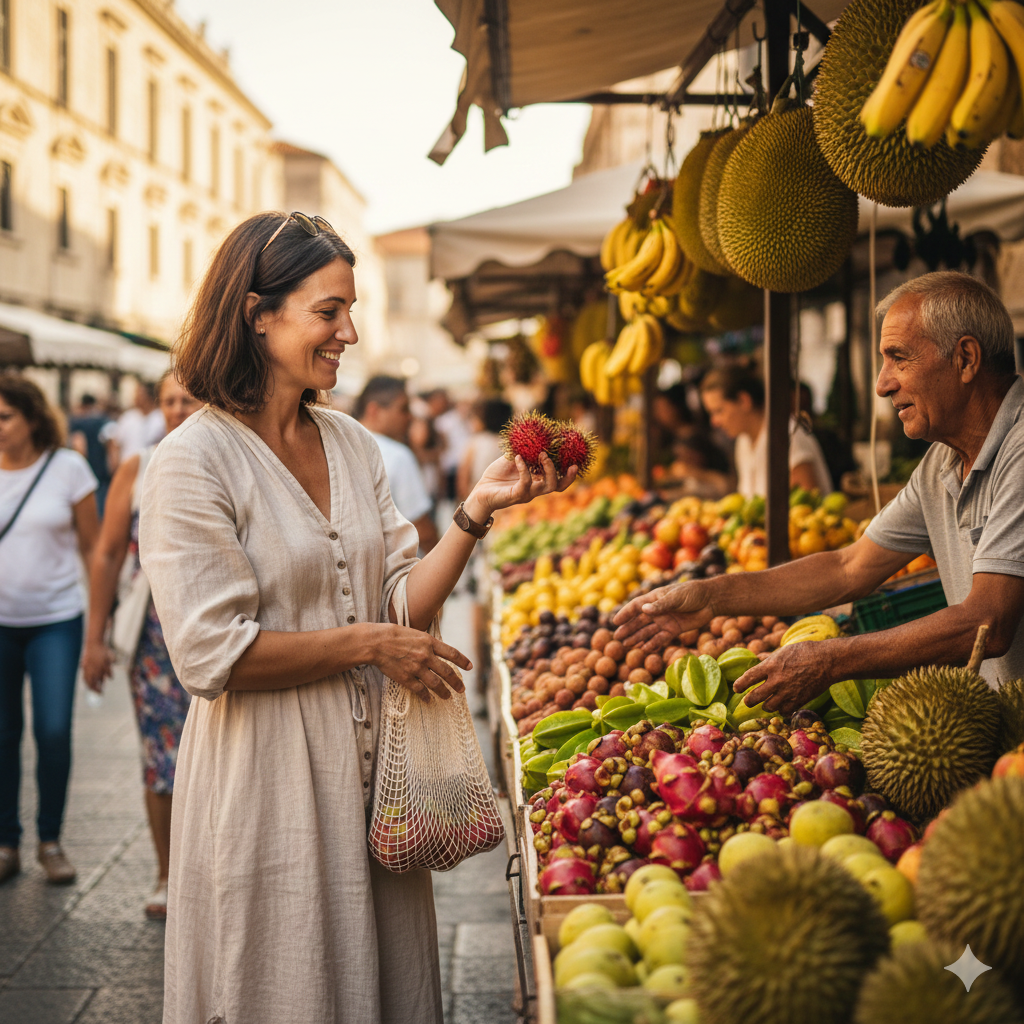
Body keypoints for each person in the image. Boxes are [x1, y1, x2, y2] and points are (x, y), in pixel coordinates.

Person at [138, 210, 579, 1024]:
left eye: (350, 310)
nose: (348, 331)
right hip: (267, 778)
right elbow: (210, 657)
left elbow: (396, 603)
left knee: (379, 982)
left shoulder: (350, 443)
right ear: (256, 312)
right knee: (285, 981)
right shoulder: (192, 462)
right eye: (328, 310)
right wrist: (371, 644)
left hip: (378, 784)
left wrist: (476, 514)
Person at [613, 271, 1024, 713]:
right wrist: (712, 596)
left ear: (965, 358)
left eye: (898, 358)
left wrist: (833, 660)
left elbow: (988, 621)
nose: (883, 383)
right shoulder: (941, 465)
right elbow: (849, 567)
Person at [81, 371, 201, 918]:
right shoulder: (140, 465)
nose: (177, 408)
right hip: (155, 637)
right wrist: (95, 638)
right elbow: (106, 553)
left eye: (187, 398)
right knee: (162, 758)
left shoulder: (230, 456)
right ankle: (167, 875)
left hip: (220, 631)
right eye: (168, 400)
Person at [0, 373, 100, 885]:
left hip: (56, 620)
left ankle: (50, 839)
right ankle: (5, 841)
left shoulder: (68, 469)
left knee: (53, 730)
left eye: (4, 417)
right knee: (2, 735)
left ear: (33, 417)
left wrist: (99, 630)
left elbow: (92, 548)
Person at [700, 366, 833, 498]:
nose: (714, 421)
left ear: (743, 400)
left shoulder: (785, 434)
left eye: (718, 411)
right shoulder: (743, 442)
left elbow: (806, 505)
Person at [356, 375, 439, 552]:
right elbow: (422, 530)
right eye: (403, 409)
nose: (409, 417)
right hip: (402, 573)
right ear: (374, 411)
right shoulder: (397, 456)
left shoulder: (341, 445)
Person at [457, 397, 512, 500]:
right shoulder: (510, 442)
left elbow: (463, 477)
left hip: (478, 499)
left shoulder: (475, 442)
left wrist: (465, 501)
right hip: (505, 500)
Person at [68, 393, 113, 517]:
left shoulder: (77, 422)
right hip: (102, 474)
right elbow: (112, 446)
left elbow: (79, 447)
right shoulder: (104, 421)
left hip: (86, 472)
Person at [108, 379, 165, 470]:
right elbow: (116, 442)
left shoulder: (161, 418)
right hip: (127, 469)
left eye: (139, 393)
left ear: (148, 396)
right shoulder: (128, 417)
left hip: (152, 469)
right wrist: (115, 465)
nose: (135, 396)